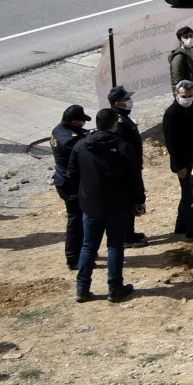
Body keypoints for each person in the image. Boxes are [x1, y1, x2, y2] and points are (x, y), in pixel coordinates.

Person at [67, 107, 146, 302]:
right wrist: (139, 201)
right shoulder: (123, 147)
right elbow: (135, 178)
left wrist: (83, 194)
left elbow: (71, 174)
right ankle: (115, 288)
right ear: (114, 125)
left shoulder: (81, 146)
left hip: (91, 206)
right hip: (118, 206)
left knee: (88, 247)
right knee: (115, 247)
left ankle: (82, 289)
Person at [163, 80, 193, 240]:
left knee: (188, 192)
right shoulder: (171, 114)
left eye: (189, 96)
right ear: (176, 95)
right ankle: (191, 228)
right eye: (183, 96)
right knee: (189, 193)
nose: (186, 99)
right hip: (183, 162)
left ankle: (181, 223)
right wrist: (178, 166)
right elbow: (171, 143)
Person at [51, 105, 91, 270]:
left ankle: (80, 252)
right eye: (81, 122)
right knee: (76, 220)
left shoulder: (59, 130)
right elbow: (85, 144)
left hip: (65, 180)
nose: (83, 125)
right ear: (74, 122)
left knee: (79, 218)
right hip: (69, 184)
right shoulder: (68, 140)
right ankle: (73, 258)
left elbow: (81, 135)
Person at [106, 86, 148, 247]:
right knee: (127, 202)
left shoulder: (122, 118)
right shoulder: (120, 121)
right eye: (125, 100)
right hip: (126, 169)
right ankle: (125, 236)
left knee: (131, 202)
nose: (129, 102)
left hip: (132, 166)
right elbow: (123, 148)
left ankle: (129, 232)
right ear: (117, 103)